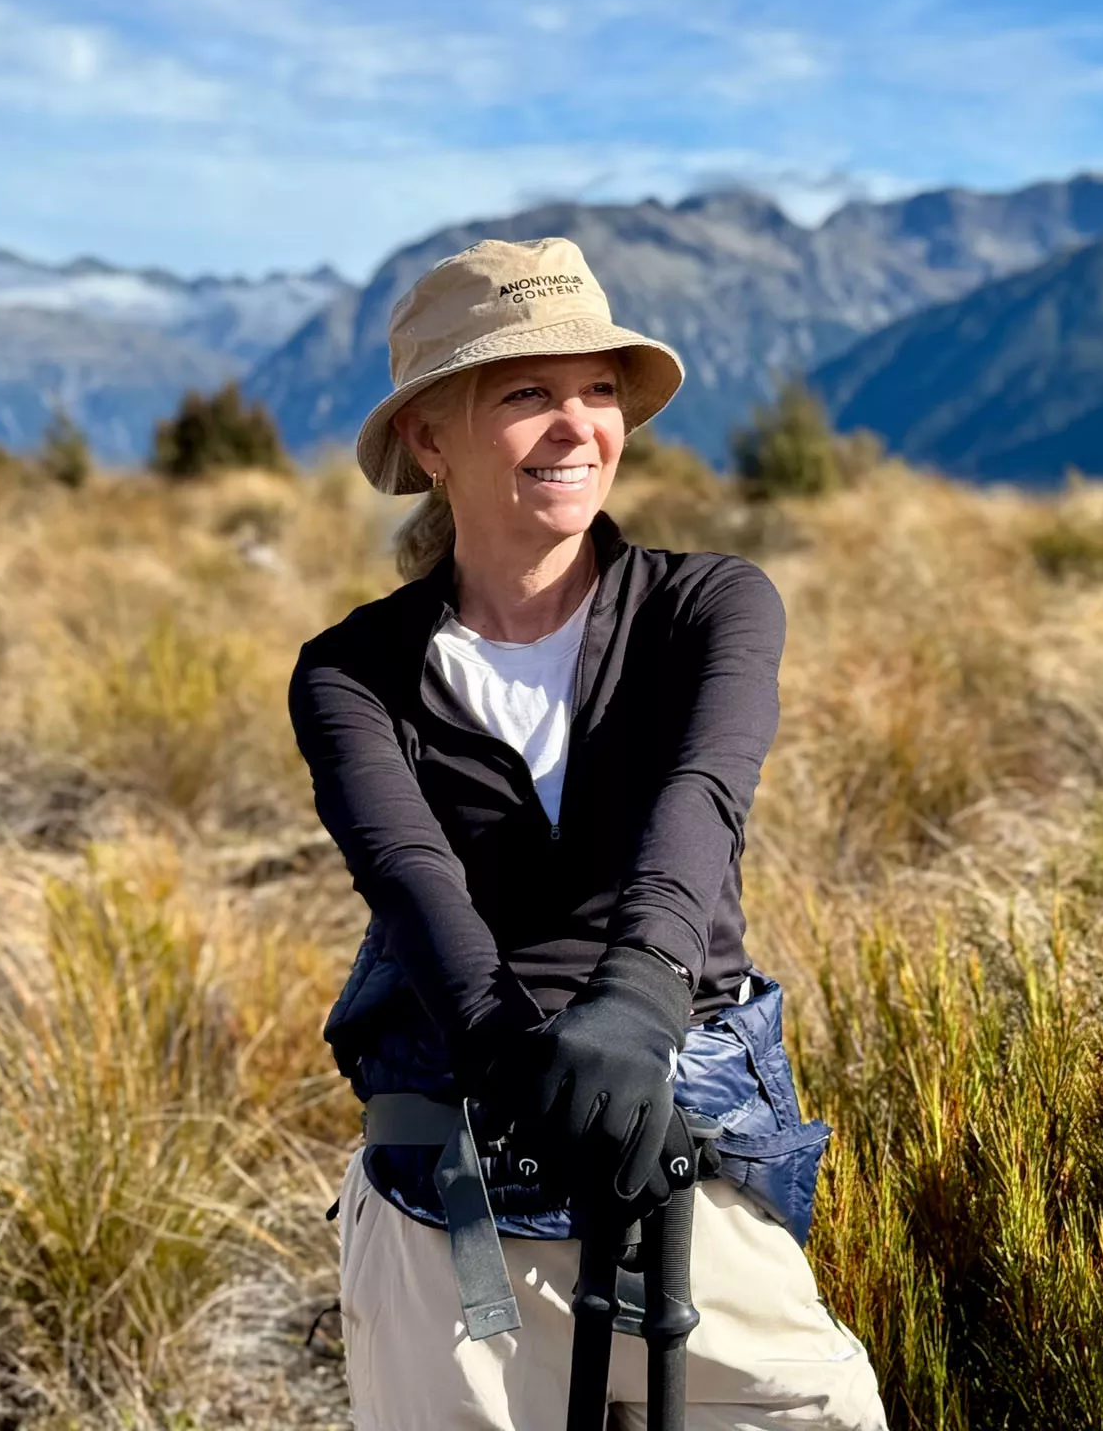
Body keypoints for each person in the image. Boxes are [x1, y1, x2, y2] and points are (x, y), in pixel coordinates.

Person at [288, 236, 888, 1431]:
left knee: (819, 1409)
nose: (577, 427)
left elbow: (701, 804)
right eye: (525, 394)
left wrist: (640, 999)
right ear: (430, 439)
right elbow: (412, 881)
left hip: (681, 1169)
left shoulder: (709, 605)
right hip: (448, 1202)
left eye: (599, 391)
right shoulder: (353, 672)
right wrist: (516, 1056)